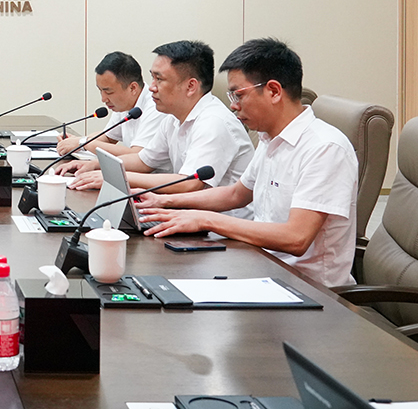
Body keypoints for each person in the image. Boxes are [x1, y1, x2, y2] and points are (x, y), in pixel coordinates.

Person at [136, 38, 359, 287]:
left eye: (239, 95)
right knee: (160, 281)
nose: (233, 105)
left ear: (274, 91)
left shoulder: (325, 148)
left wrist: (205, 219)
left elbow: (296, 238)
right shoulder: (270, 138)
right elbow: (235, 194)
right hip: (260, 266)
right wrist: (163, 201)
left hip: (307, 288)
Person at [69, 40, 253, 202]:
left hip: (223, 227)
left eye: (159, 79)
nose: (151, 87)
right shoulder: (173, 118)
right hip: (189, 215)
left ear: (191, 86)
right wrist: (97, 166)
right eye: (152, 77)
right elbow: (143, 161)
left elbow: (190, 183)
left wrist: (115, 176)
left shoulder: (214, 122)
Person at [51, 51, 169, 175]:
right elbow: (108, 137)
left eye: (108, 92)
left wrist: (84, 143)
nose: (103, 99)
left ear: (132, 88)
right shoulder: (124, 104)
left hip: (157, 180)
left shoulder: (155, 107)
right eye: (100, 91)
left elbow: (138, 156)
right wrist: (77, 142)